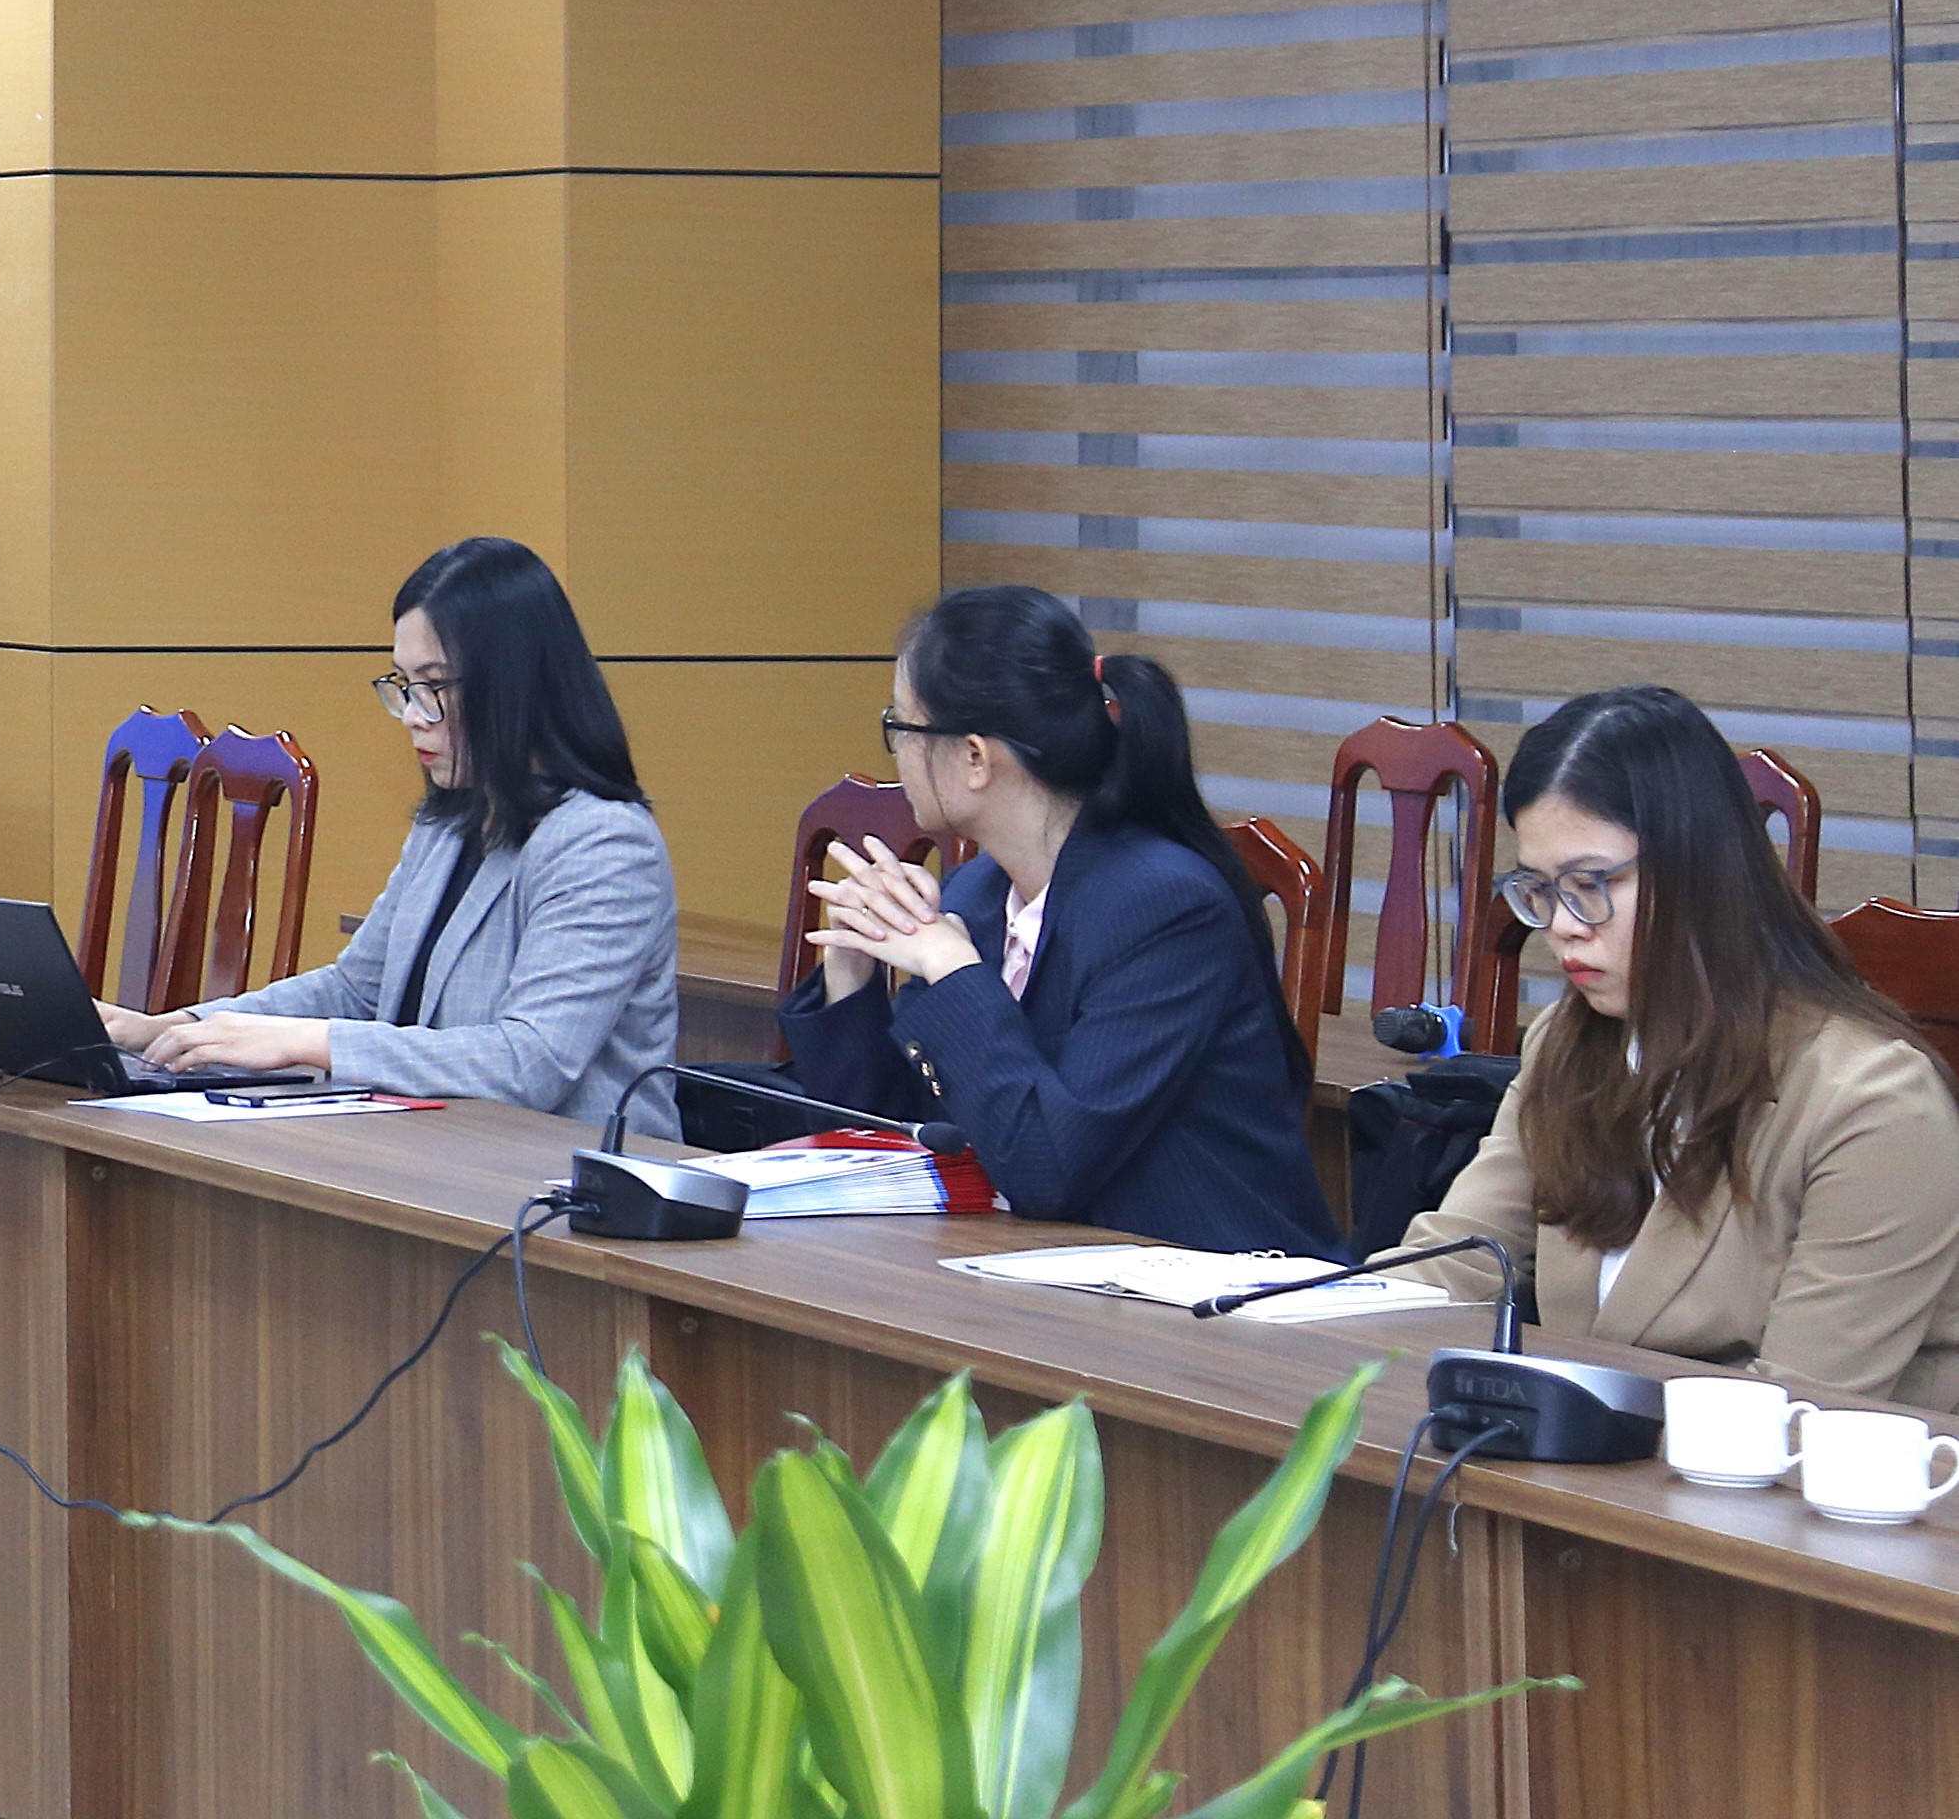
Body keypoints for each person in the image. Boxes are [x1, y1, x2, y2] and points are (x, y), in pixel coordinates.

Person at [1395, 686, 1959, 1407]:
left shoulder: (1874, 1103)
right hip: (1591, 1457)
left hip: (1786, 1469)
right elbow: (1458, 1259)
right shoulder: (1569, 1042)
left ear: (1700, 873)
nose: (1562, 925)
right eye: (1539, 888)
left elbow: (1796, 1409)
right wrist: (1301, 1309)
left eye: (1590, 883)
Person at [781, 585, 1335, 1256]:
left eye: (900, 726)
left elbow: (1047, 1167)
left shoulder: (1166, 909)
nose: (894, 750)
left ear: (975, 757)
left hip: (1216, 1285)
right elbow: (895, 1144)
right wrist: (851, 970)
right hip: (1046, 1273)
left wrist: (952, 968)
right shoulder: (977, 893)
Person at [99, 538, 681, 1134]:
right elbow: (357, 990)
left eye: (434, 686)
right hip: (444, 1148)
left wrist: (310, 1042)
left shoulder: (604, 843)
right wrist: (176, 1027)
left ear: (513, 684)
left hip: (568, 1173)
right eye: (404, 685)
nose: (412, 715)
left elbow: (529, 1062)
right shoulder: (450, 820)